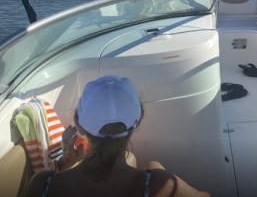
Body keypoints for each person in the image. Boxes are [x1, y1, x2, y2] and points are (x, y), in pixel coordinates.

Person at [24, 76, 209, 197]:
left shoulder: (42, 185)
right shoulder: (158, 184)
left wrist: (67, 161)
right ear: (138, 120)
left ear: (78, 123)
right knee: (153, 165)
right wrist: (158, 171)